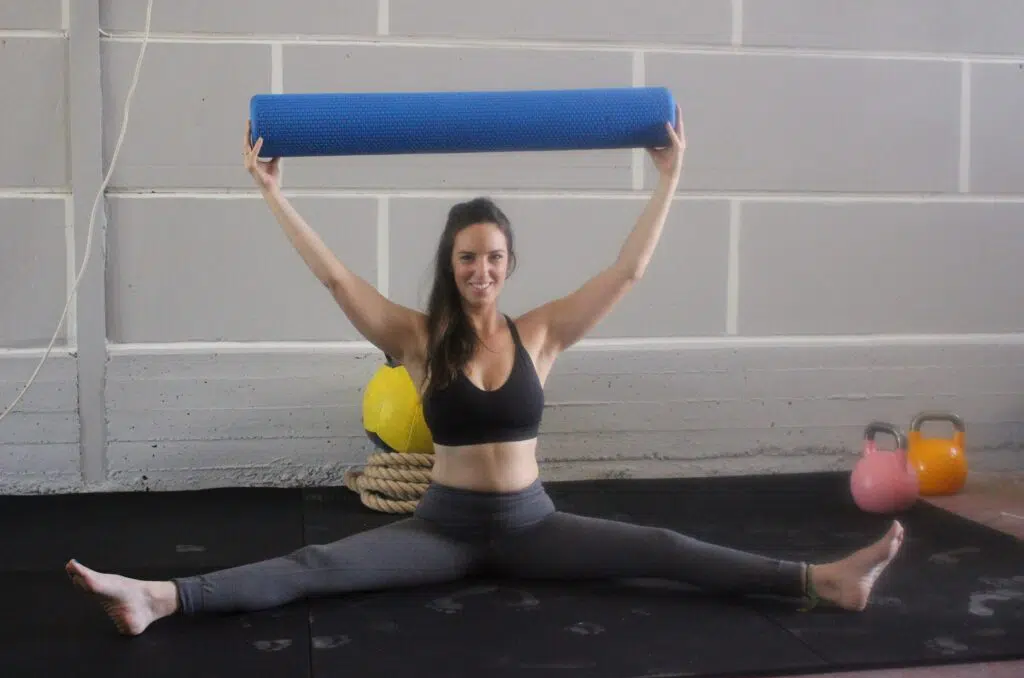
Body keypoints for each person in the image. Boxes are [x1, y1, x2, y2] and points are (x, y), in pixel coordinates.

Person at [66, 110, 904, 636]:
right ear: (451, 262)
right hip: (442, 529)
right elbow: (335, 279)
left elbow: (628, 270)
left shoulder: (541, 333)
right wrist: (271, 191)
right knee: (316, 567)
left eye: (494, 256)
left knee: (661, 548)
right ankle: (160, 596)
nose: (482, 269)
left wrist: (671, 176)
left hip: (536, 524)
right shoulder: (417, 336)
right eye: (468, 256)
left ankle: (822, 580)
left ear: (509, 264)